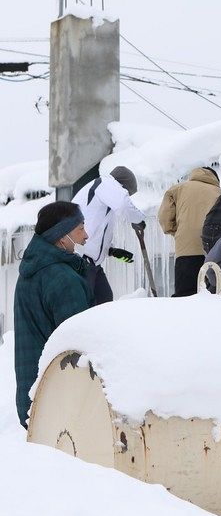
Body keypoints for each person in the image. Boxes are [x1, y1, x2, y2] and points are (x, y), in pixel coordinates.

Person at [13, 201, 95, 428]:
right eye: (80, 228)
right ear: (61, 236)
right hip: (61, 398)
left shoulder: (31, 271)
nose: (86, 235)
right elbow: (79, 347)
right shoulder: (62, 280)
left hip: (34, 394)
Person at [71, 166, 146, 304]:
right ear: (122, 185)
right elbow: (124, 205)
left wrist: (111, 250)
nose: (126, 196)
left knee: (104, 299)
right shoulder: (106, 183)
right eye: (127, 193)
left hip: (91, 262)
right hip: (80, 260)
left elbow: (96, 228)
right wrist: (139, 219)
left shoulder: (102, 193)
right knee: (83, 306)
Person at [157, 167, 221, 296]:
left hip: (186, 250)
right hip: (213, 251)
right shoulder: (220, 193)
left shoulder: (177, 189)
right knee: (211, 296)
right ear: (215, 179)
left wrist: (177, 232)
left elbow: (165, 218)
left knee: (185, 295)